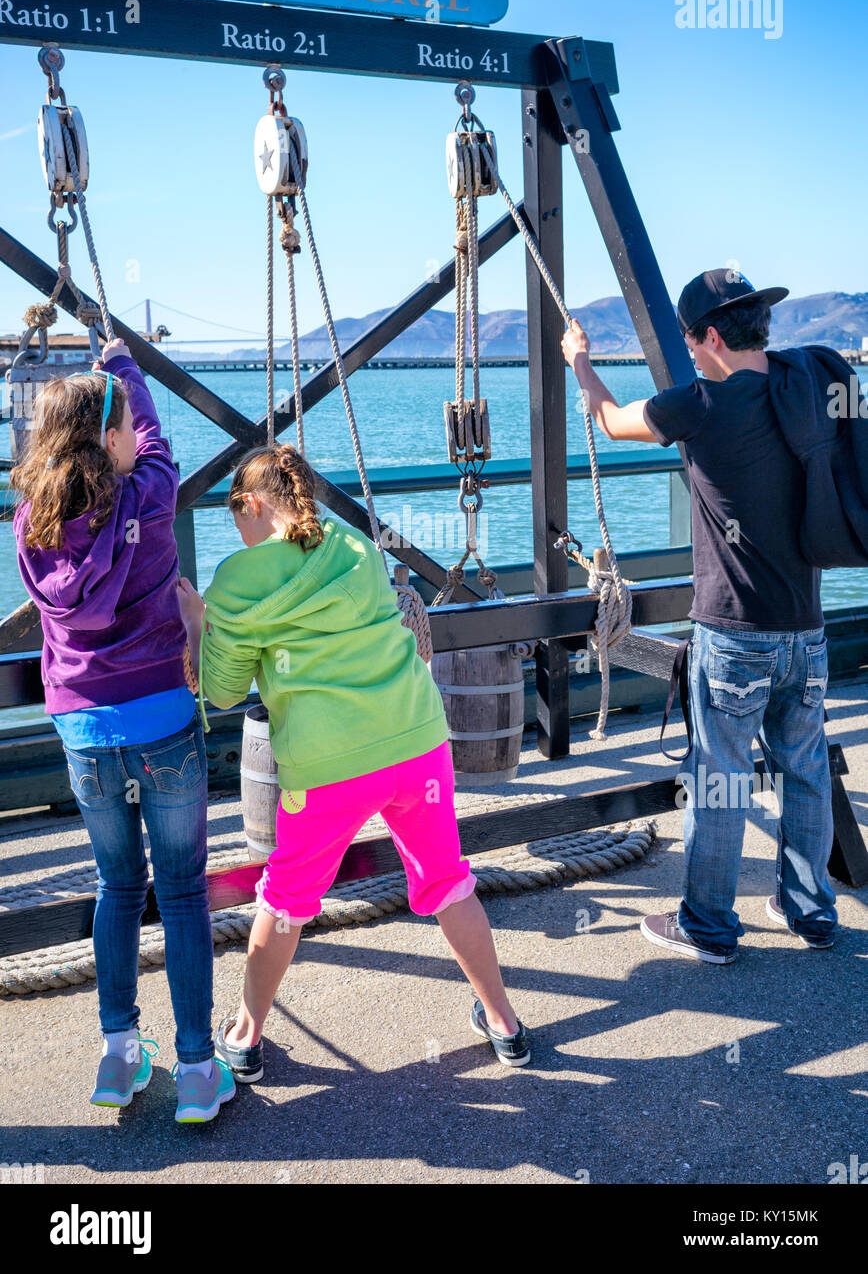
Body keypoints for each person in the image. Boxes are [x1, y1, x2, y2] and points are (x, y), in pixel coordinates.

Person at [179, 442, 531, 1077]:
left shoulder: (236, 580)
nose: (239, 531)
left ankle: (246, 1032)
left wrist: (200, 623)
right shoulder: (357, 547)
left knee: (284, 898)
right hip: (416, 740)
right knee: (448, 881)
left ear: (253, 504)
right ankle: (505, 1023)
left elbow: (225, 690)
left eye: (237, 517)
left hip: (327, 766)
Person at [561, 268, 837, 963]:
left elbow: (610, 419)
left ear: (710, 336)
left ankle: (709, 928)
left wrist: (581, 363)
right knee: (803, 771)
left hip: (734, 633)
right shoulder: (801, 384)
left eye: (688, 340)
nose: (687, 351)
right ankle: (808, 911)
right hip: (806, 628)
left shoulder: (699, 405)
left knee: (720, 778)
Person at [13, 339, 236, 1122]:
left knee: (116, 886)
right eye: (122, 431)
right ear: (111, 439)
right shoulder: (150, 490)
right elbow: (155, 434)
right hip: (163, 720)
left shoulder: (30, 521)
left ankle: (116, 1058)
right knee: (180, 894)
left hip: (83, 729)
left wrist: (107, 393)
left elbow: (124, 438)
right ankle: (200, 1070)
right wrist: (126, 369)